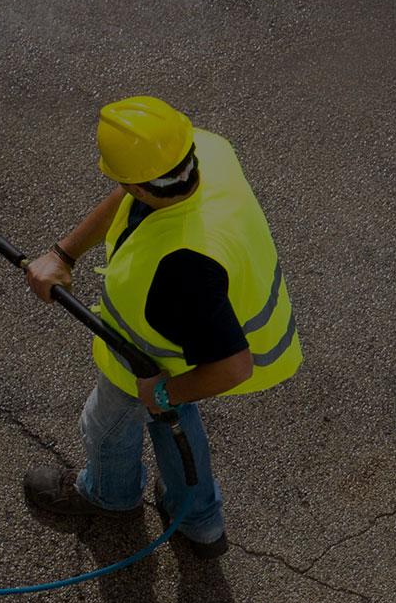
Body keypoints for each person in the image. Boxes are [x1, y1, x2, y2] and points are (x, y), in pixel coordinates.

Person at [21, 96, 302, 558]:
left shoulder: (183, 270)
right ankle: (201, 523)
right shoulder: (203, 151)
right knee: (173, 424)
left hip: (157, 359)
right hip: (187, 341)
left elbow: (232, 367)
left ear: (137, 182)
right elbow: (129, 196)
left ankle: (108, 494)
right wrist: (63, 253)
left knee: (111, 421)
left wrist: (166, 392)